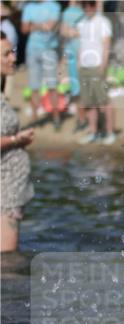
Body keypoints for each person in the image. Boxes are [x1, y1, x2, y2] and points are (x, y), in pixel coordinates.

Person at [1, 33, 34, 253]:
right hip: (5, 193)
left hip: (8, 188)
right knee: (8, 262)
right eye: (6, 54)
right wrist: (16, 140)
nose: (13, 58)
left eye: (12, 52)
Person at [76, 0, 115, 145]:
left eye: (90, 4)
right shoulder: (82, 23)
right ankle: (93, 132)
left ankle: (110, 132)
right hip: (84, 66)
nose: (88, 8)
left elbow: (106, 45)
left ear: (95, 5)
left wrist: (103, 65)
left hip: (97, 65)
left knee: (104, 101)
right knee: (89, 102)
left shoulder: (103, 21)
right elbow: (82, 44)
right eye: (85, 5)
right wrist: (79, 63)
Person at [21, 0, 61, 125]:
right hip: (32, 50)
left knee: (52, 86)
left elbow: (50, 26)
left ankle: (56, 117)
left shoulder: (54, 6)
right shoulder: (29, 7)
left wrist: (34, 25)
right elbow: (24, 29)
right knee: (34, 87)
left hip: (49, 51)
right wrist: (42, 25)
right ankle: (34, 118)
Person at [60, 1, 86, 132]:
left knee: (77, 90)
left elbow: (65, 33)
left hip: (76, 56)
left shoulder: (68, 13)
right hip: (82, 56)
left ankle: (82, 120)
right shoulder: (86, 11)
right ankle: (85, 119)